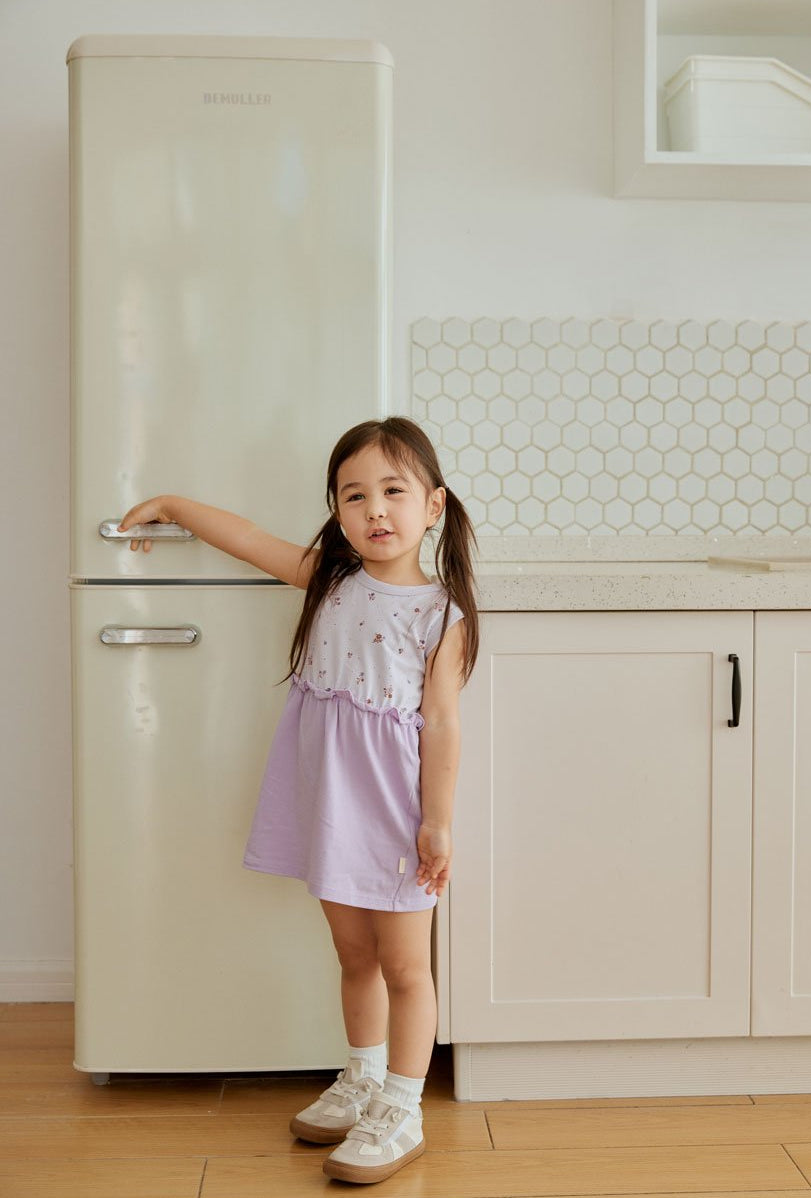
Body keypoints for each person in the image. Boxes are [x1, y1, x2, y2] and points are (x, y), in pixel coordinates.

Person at [117, 416, 479, 1184]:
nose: (375, 510)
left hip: (394, 811)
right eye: (355, 496)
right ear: (338, 512)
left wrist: (437, 825)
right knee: (353, 955)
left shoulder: (442, 614)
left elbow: (443, 725)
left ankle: (402, 1108)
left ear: (433, 505)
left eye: (393, 491)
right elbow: (247, 537)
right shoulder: (330, 580)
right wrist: (175, 505)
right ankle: (363, 1078)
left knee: (406, 967)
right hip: (328, 802)